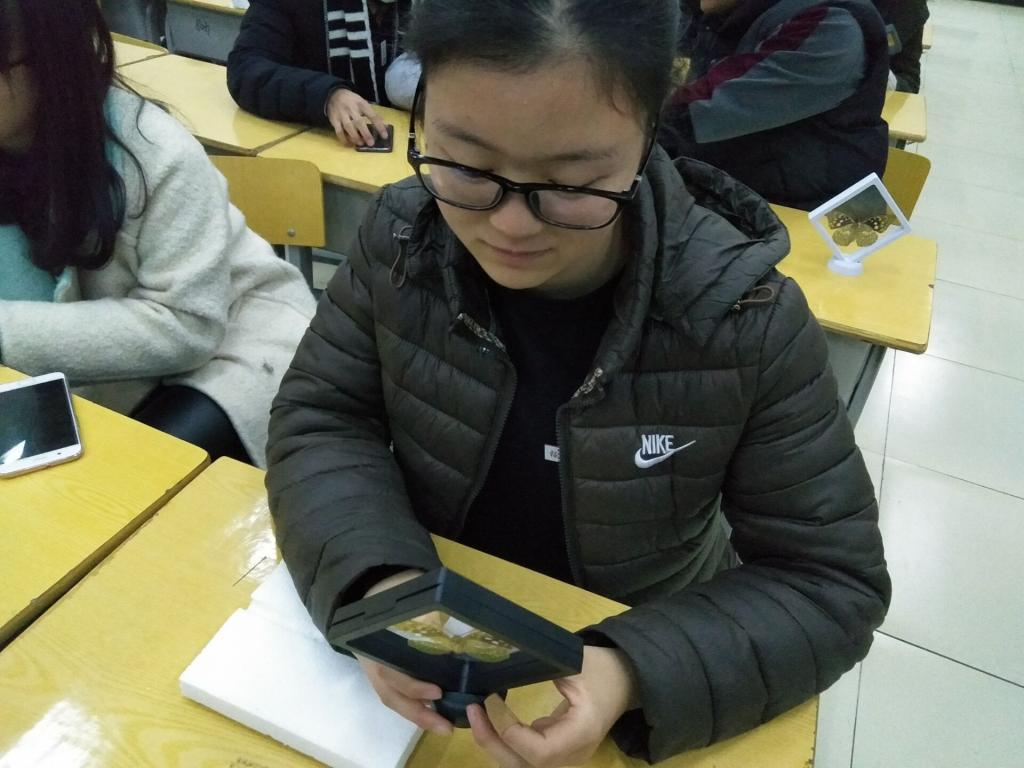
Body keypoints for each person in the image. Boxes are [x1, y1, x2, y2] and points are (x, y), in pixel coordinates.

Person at [265, 0, 890, 765]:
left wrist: (630, 671)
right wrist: (378, 584)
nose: (511, 225)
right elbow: (324, 417)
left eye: (572, 183)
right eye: (464, 164)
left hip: (638, 632)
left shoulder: (742, 315)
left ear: (649, 134)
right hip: (427, 634)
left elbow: (830, 583)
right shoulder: (403, 237)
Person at [0, 0, 316, 467]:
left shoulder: (154, 154)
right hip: (94, 368)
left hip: (234, 346)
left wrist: (5, 331)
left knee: (125, 483)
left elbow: (188, 325)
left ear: (52, 59)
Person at [663, 0, 890, 210]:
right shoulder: (735, 13)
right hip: (748, 190)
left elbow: (703, 106)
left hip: (810, 212)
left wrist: (645, 108)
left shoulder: (831, 25)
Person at [227, 0, 419, 148]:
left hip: (414, 142)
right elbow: (245, 70)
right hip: (322, 147)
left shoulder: (423, 7)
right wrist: (328, 96)